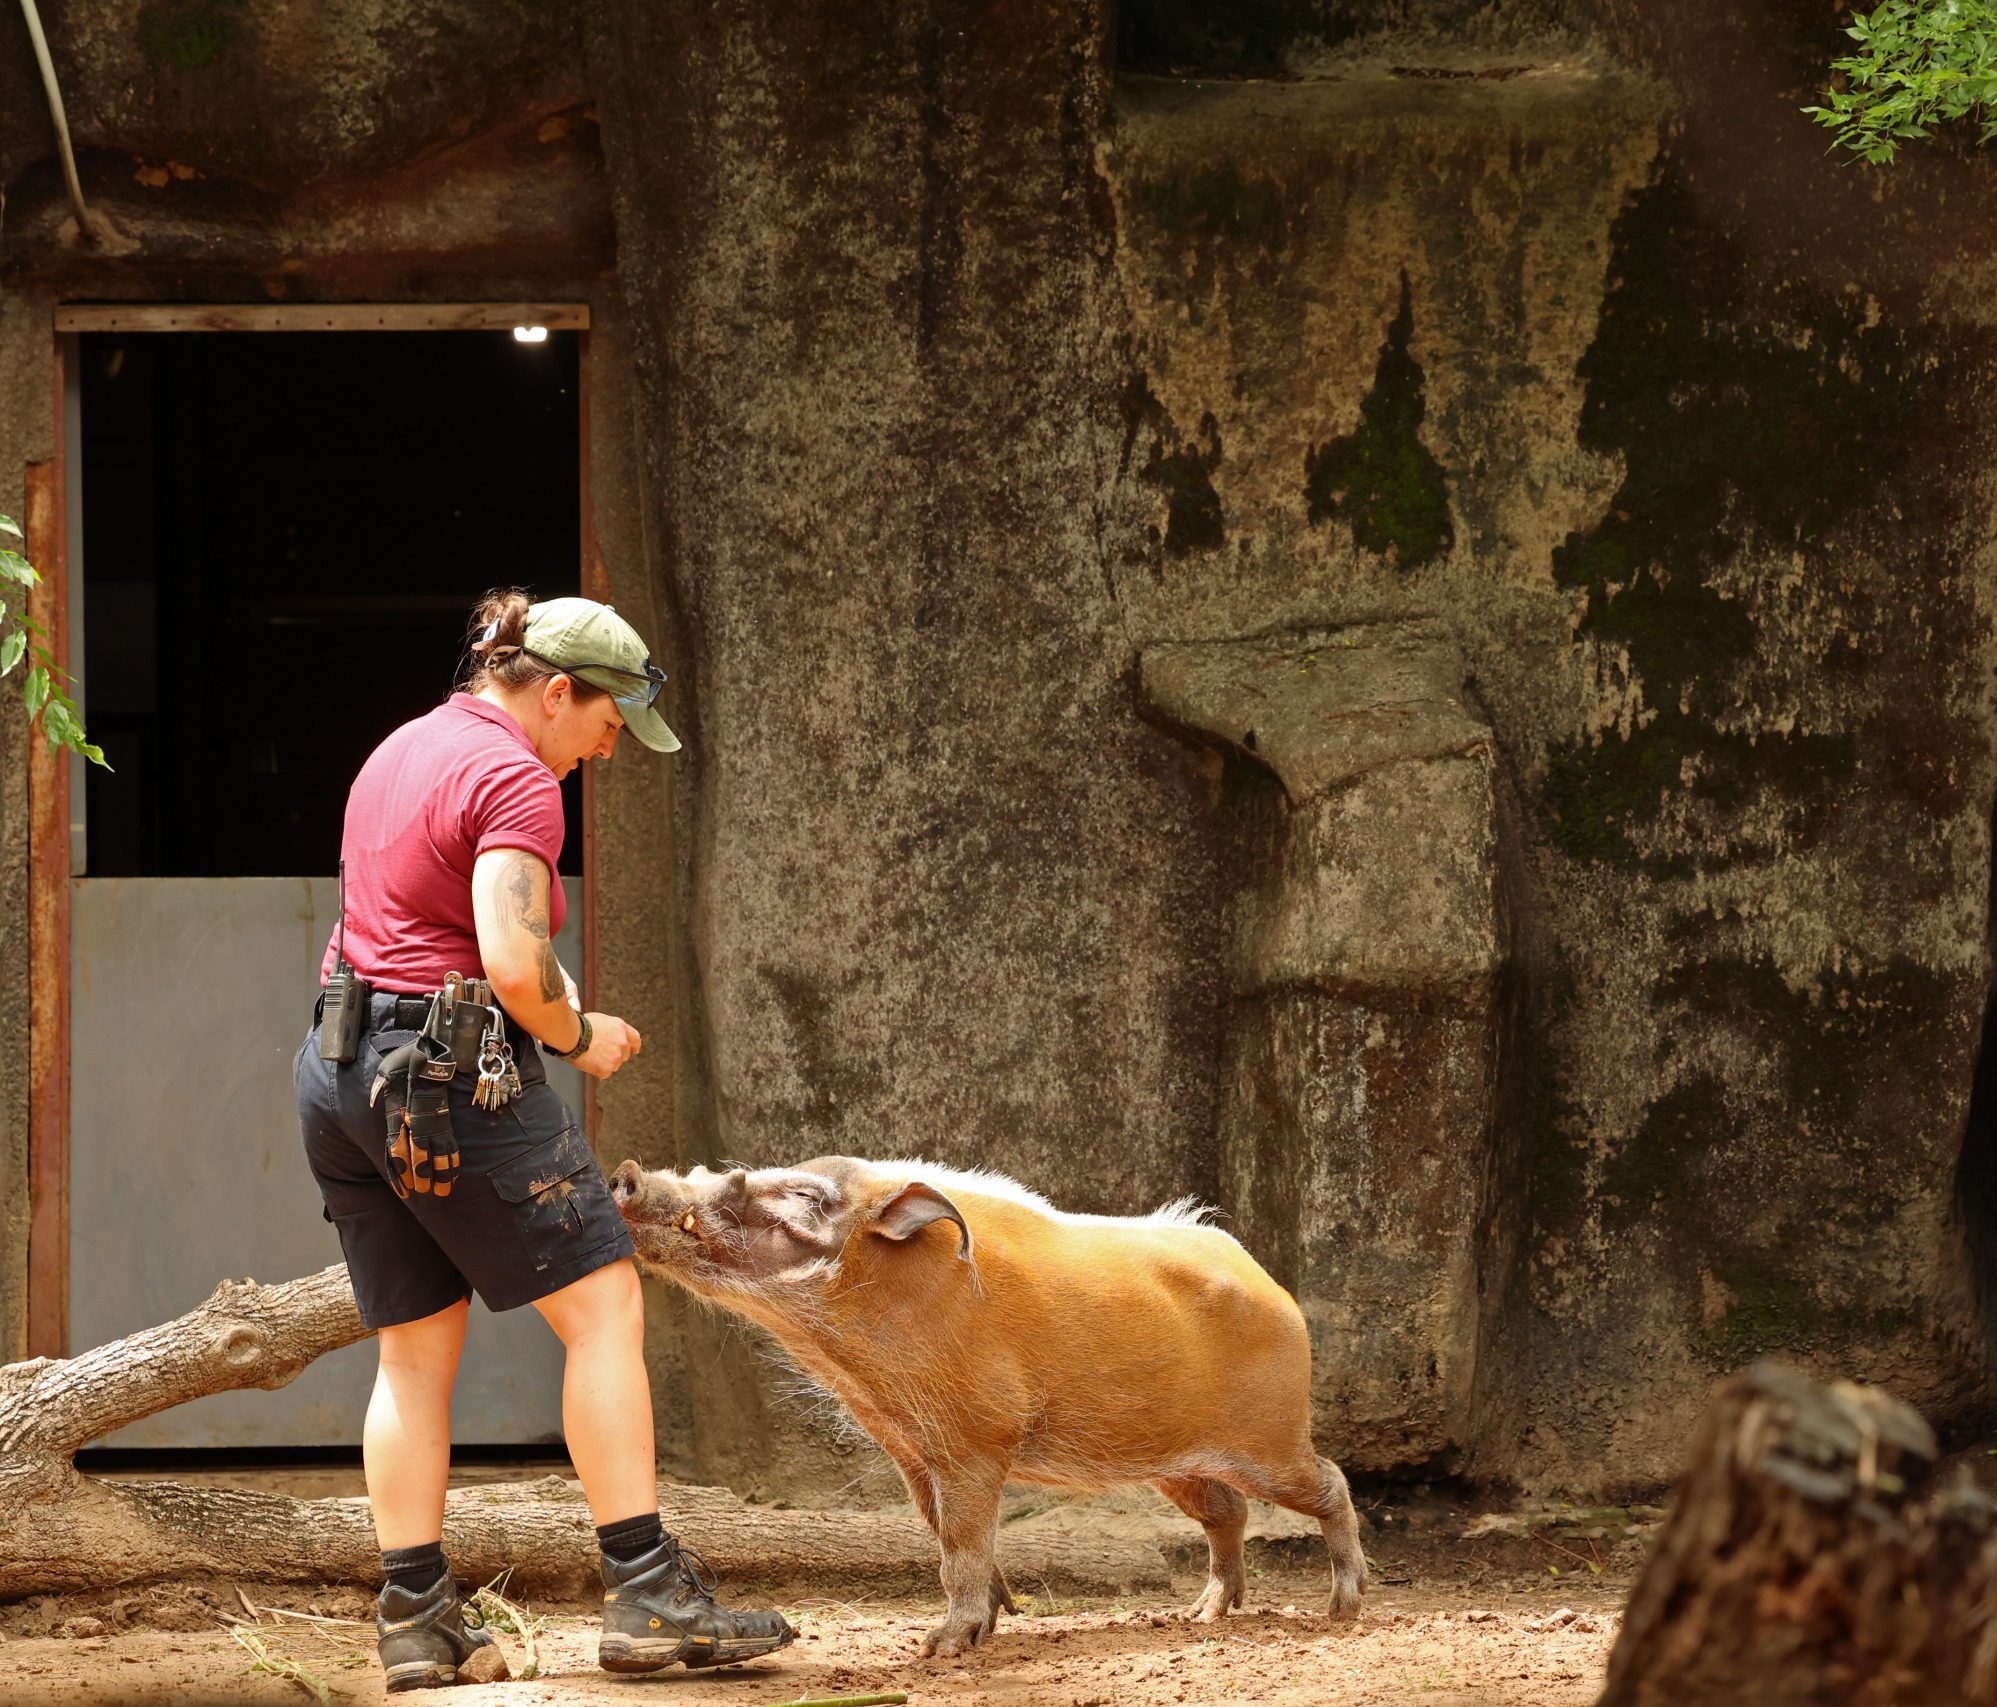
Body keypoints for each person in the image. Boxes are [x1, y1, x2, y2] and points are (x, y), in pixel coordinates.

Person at [294, 590, 794, 1692]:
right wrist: (577, 1037)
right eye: (605, 728)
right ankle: (649, 1593)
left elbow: (411, 924)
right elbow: (509, 966)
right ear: (554, 692)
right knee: (606, 1302)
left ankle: (416, 1621)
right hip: (441, 1076)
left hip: (338, 1068)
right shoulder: (515, 774)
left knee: (414, 1355)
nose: (601, 753)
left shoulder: (405, 746)